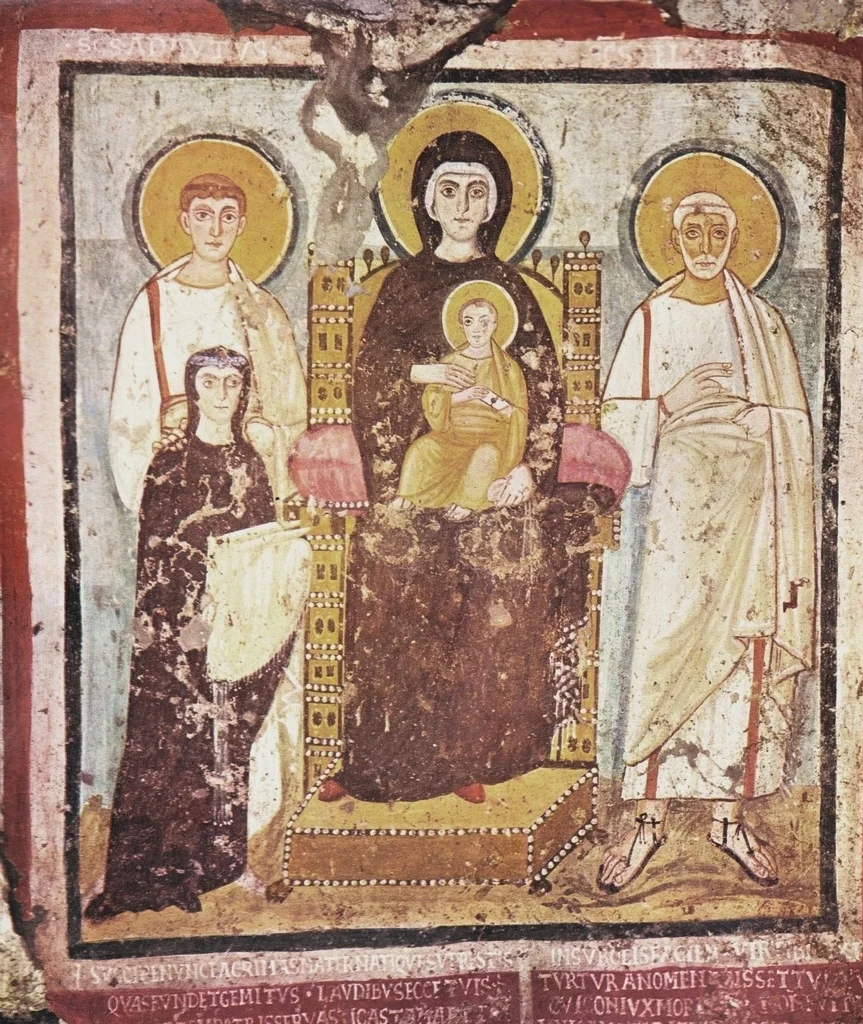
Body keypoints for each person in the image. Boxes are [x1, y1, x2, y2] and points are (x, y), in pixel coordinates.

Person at [315, 131, 613, 807]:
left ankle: (472, 759)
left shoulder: (510, 290)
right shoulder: (403, 287)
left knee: (491, 587)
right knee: (392, 582)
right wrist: (423, 376)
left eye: (476, 192)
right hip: (416, 477)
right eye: (447, 190)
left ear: (494, 205)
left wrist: (530, 470)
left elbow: (543, 394)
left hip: (494, 477)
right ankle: (374, 767)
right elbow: (372, 382)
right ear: (424, 201)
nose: (460, 204)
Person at [599, 192, 815, 891]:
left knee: (745, 652)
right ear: (672, 239)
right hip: (677, 513)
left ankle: (728, 818)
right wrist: (674, 400)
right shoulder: (652, 317)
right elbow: (613, 425)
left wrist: (763, 421)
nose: (703, 243)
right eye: (691, 231)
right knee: (664, 647)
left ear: (734, 236)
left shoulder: (764, 323)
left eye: (716, 230)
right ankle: (648, 820)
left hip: (752, 510)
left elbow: (795, 424)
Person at [86, 348, 293, 920]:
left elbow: (259, 548)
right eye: (210, 381)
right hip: (170, 628)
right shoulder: (169, 462)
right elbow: (152, 547)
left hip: (228, 627)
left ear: (243, 391)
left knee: (220, 744)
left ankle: (212, 866)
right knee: (161, 745)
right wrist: (171, 621)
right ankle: (137, 876)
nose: (222, 393)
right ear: (193, 389)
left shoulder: (249, 462)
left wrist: (234, 612)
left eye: (232, 383)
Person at [109, 173, 306, 513]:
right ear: (185, 221)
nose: (215, 230)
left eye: (227, 217)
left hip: (247, 478)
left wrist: (263, 435)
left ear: (241, 225)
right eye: (203, 215)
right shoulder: (153, 304)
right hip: (177, 478)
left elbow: (292, 411)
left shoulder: (263, 311)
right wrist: (160, 454)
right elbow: (130, 414)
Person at [394, 295, 528, 521]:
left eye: (484, 322)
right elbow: (432, 402)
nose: (477, 329)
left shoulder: (508, 368)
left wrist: (496, 403)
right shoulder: (450, 361)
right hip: (452, 438)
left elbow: (520, 416)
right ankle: (409, 495)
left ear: (495, 325)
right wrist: (460, 397)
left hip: (491, 440)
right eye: (469, 321)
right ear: (461, 325)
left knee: (486, 456)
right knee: (422, 448)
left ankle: (467, 501)